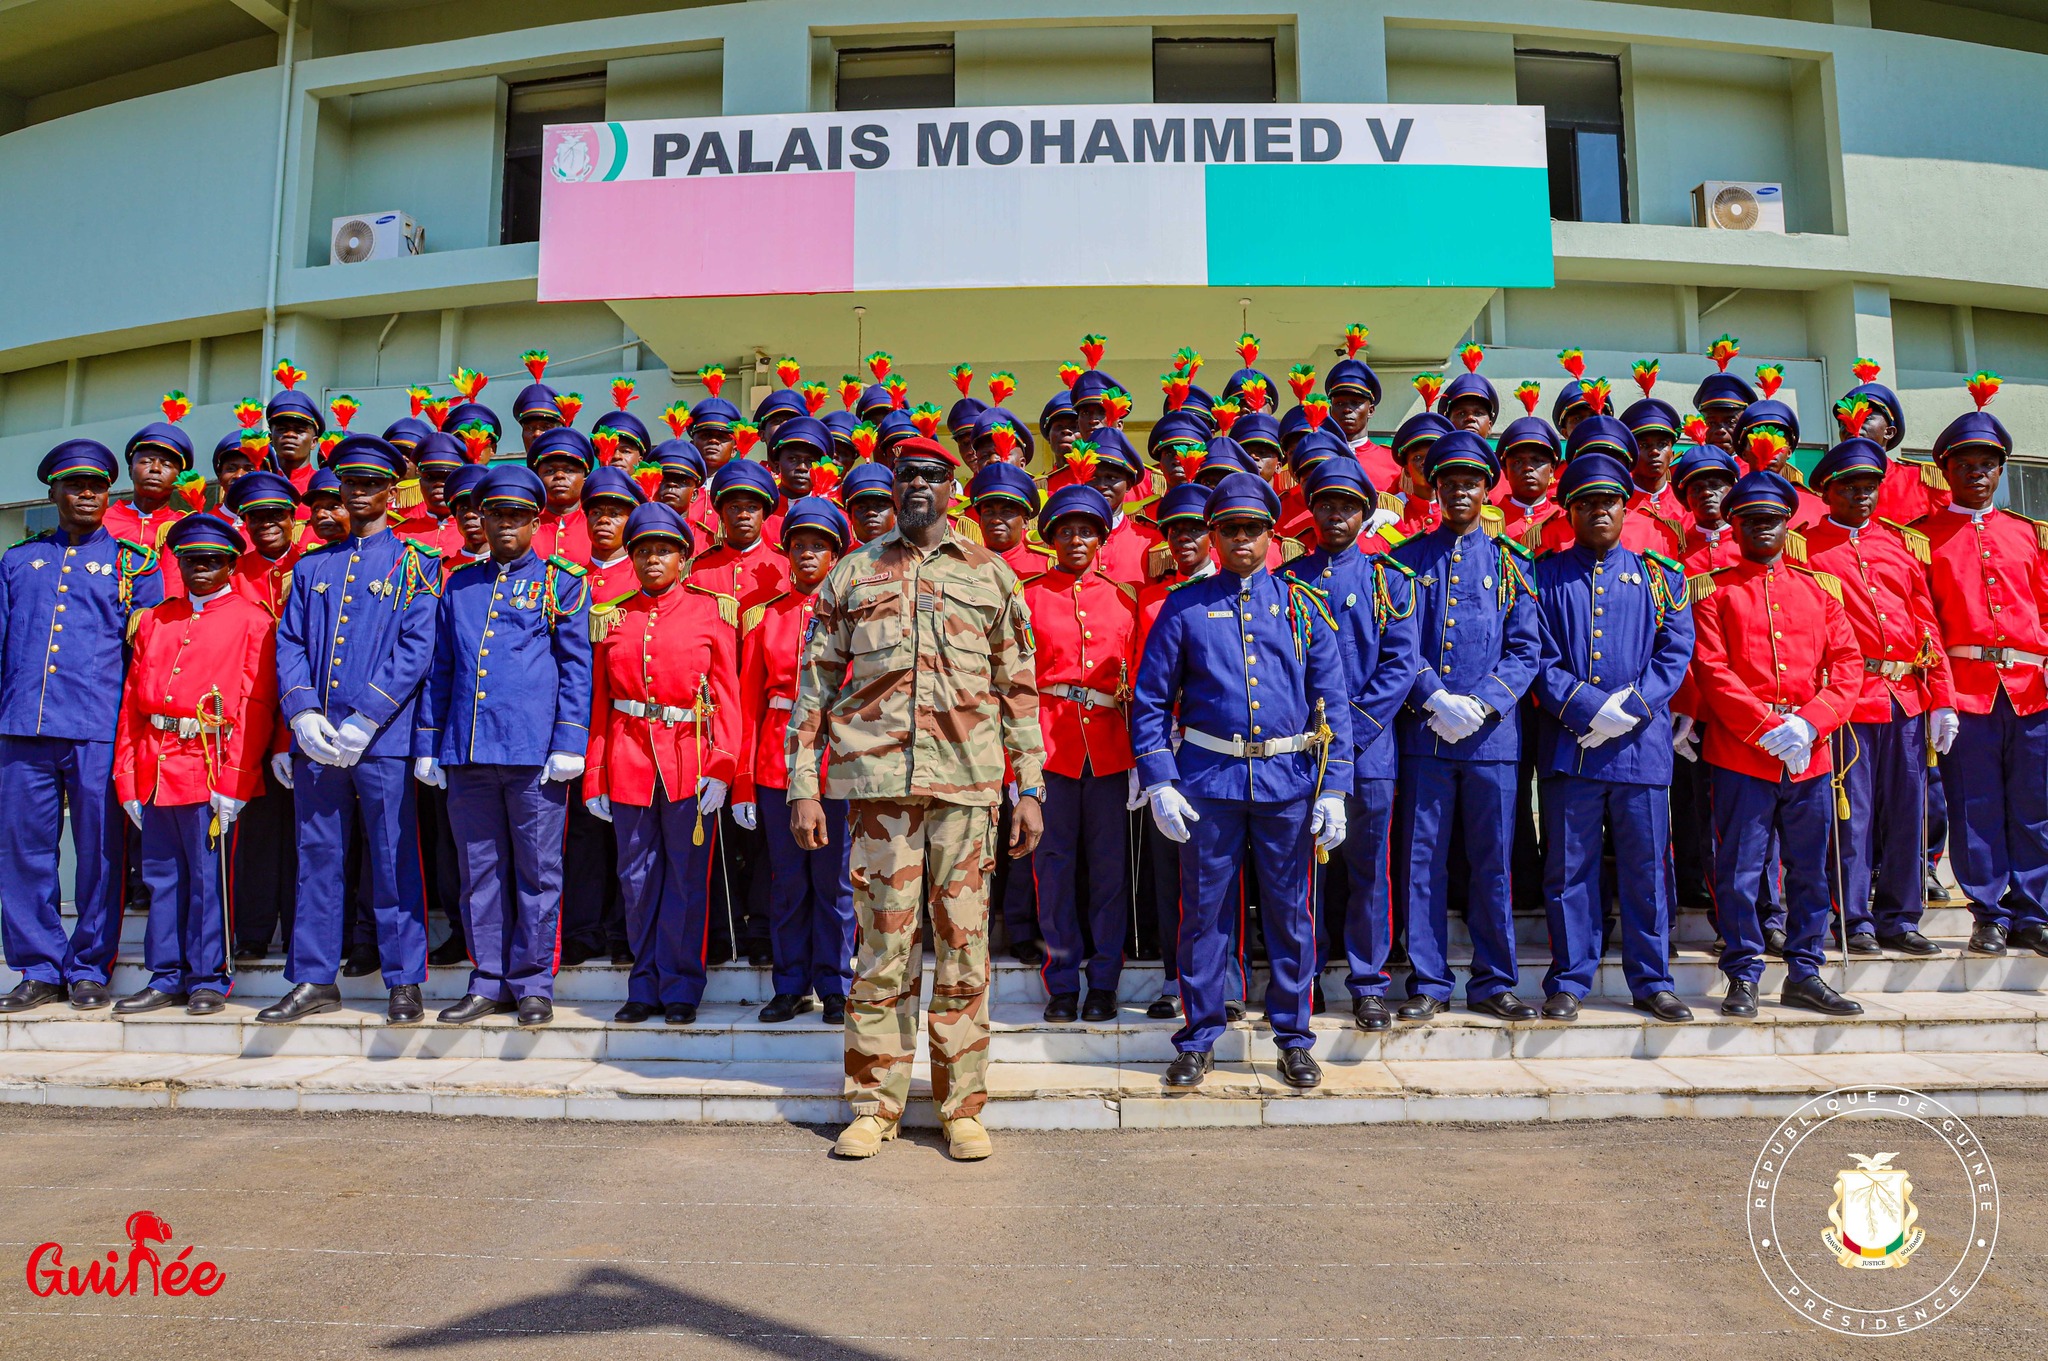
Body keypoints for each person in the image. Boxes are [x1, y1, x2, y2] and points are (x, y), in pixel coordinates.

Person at [785, 434, 1046, 1162]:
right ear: (893, 487)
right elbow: (814, 686)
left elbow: (1019, 690)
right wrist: (803, 784)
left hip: (966, 789)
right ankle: (875, 1106)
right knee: (882, 952)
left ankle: (962, 1108)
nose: (919, 485)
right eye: (907, 476)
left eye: (933, 474)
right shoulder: (853, 573)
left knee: (964, 951)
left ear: (953, 488)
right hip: (878, 795)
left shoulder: (992, 576)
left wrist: (1030, 786)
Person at [1131, 472, 1351, 1089]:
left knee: (1290, 916)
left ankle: (1294, 1038)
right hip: (1209, 783)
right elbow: (1150, 702)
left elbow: (1331, 703)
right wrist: (1160, 779)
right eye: (1229, 529)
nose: (1241, 539)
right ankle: (1199, 1037)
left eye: (1252, 528)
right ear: (1213, 535)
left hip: (1286, 783)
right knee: (1204, 917)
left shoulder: (1302, 607)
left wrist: (1335, 788)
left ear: (1270, 533)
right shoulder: (1184, 608)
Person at [260, 434, 441, 1026]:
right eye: (351, 483)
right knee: (317, 856)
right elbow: (289, 641)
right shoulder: (312, 566)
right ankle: (314, 977)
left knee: (392, 857)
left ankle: (404, 979)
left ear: (392, 491)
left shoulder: (415, 563)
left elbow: (417, 646)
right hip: (318, 736)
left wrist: (367, 715)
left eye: (372, 484)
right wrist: (301, 711)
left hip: (381, 737)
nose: (360, 493)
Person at [414, 465, 592, 1028]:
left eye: (518, 516)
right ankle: (488, 978)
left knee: (538, 872)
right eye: (497, 515)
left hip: (533, 752)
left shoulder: (561, 582)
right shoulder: (460, 585)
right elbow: (441, 668)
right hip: (468, 750)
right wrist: (429, 742)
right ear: (482, 521)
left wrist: (569, 740)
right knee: (479, 871)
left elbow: (575, 668)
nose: (507, 524)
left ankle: (534, 982)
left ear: (536, 522)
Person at [1687, 469, 1863, 1017]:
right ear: (1733, 527)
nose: (1762, 528)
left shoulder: (1819, 590)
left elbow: (1848, 664)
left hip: (1809, 754)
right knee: (1740, 870)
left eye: (1771, 520)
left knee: (1809, 869)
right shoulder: (1715, 592)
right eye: (1750, 521)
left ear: (1788, 524)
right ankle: (1743, 972)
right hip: (1743, 752)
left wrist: (1810, 724)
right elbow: (1712, 670)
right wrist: (1768, 728)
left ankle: (1805, 971)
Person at [1528, 453, 1696, 1022]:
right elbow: (1538, 655)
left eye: (1609, 501)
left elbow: (1675, 650)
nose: (1598, 510)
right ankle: (1569, 980)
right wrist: (1587, 709)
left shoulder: (1660, 576)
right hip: (1570, 748)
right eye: (1586, 503)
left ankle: (1652, 980)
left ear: (1626, 509)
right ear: (1569, 512)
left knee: (1646, 870)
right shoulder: (1543, 576)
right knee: (1568, 871)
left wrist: (1632, 708)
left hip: (1639, 750)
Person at [0, 440, 164, 1014]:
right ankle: (38, 966)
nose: (87, 494)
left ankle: (91, 966)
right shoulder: (18, 561)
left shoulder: (134, 565)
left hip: (99, 727)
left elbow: (149, 656)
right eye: (75, 484)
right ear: (53, 492)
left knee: (100, 853)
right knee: (22, 852)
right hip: (23, 725)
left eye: (97, 485)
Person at [1389, 430, 1542, 1023]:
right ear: (1434, 489)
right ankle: (1428, 980)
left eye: (1470, 483)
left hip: (1491, 740)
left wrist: (1482, 703)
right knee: (1421, 862)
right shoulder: (1405, 561)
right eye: (1449, 482)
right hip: (1424, 736)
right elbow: (1397, 643)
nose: (1459, 492)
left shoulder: (1510, 562)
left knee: (1492, 863)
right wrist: (1434, 697)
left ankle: (1494, 980)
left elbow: (1525, 650)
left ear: (1486, 490)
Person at [111, 513, 278, 1015]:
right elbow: (132, 703)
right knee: (162, 876)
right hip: (157, 764)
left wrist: (236, 780)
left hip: (210, 762)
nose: (200, 569)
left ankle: (207, 975)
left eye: (211, 561)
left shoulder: (253, 620)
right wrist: (128, 779)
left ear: (231, 565)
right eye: (190, 561)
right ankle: (165, 974)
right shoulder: (156, 619)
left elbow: (255, 705)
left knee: (209, 879)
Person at [583, 503, 742, 1024]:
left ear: (682, 558)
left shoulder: (710, 613)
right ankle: (644, 984)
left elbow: (728, 698)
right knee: (636, 878)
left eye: (664, 551)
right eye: (644, 551)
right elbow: (601, 703)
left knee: (686, 879)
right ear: (631, 558)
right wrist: (595, 774)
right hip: (628, 759)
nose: (653, 559)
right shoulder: (614, 615)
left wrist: (722, 767)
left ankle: (680, 987)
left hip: (689, 761)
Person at [1800, 434, 1956, 956]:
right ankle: (1855, 918)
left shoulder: (1899, 544)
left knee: (1909, 810)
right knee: (1854, 815)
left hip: (1905, 695)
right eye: (1850, 487)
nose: (1862, 495)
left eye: (1869, 486)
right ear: (1827, 491)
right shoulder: (1806, 547)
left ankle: (1901, 916)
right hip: (1848, 698)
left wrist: (1943, 698)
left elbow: (1926, 625)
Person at [1912, 383, 2048, 958]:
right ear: (1946, 471)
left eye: (1987, 465)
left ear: (2000, 470)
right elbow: (1926, 623)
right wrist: (1940, 696)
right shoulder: (1924, 537)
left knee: (2035, 805)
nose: (1977, 474)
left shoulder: (2027, 534)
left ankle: (2034, 912)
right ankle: (1988, 912)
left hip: (2031, 688)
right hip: (1967, 690)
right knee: (1975, 806)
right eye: (1965, 465)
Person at [1290, 458, 1420, 1032]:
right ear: (1311, 511)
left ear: (1364, 513)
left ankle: (1368, 983)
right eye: (1325, 505)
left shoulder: (1387, 580)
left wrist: (1351, 732)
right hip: (1302, 753)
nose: (1335, 515)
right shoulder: (1288, 580)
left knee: (1370, 870)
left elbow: (1400, 664)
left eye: (1347, 506)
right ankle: (1306, 976)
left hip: (1370, 753)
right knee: (1305, 874)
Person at [733, 497, 857, 1025]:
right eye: (799, 545)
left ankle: (836, 983)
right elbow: (747, 702)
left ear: (836, 555)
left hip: (839, 759)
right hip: (776, 759)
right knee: (787, 880)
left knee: (836, 882)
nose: (807, 553)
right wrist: (743, 781)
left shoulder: (855, 613)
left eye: (818, 546)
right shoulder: (766, 616)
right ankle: (790, 985)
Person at [1024, 484, 1140, 1024]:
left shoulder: (1123, 598)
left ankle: (1105, 982)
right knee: (1053, 868)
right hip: (1050, 747)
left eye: (1086, 531)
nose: (1076, 539)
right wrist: (1017, 764)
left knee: (1110, 871)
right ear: (1051, 539)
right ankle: (1063, 982)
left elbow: (1139, 681)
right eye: (1066, 531)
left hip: (1111, 749)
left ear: (1100, 539)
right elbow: (1013, 683)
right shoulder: (1028, 596)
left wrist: (1142, 759)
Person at [107, 396, 197, 556]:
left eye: (166, 464)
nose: (155, 469)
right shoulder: (102, 520)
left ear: (179, 478)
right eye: (146, 461)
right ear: (130, 470)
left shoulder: (187, 527)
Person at [528, 428, 594, 562]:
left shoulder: (595, 523)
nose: (559, 476)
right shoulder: (525, 524)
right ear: (538, 479)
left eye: (569, 470)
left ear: (584, 479)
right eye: (549, 471)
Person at [266, 361, 325, 494]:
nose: (290, 435)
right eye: (282, 429)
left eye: (299, 431)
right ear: (270, 438)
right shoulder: (258, 485)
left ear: (314, 442)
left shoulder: (323, 487)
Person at [841, 462, 897, 545]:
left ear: (895, 513)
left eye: (881, 506)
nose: (871, 512)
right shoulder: (843, 554)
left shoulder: (913, 552)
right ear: (850, 516)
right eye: (861, 507)